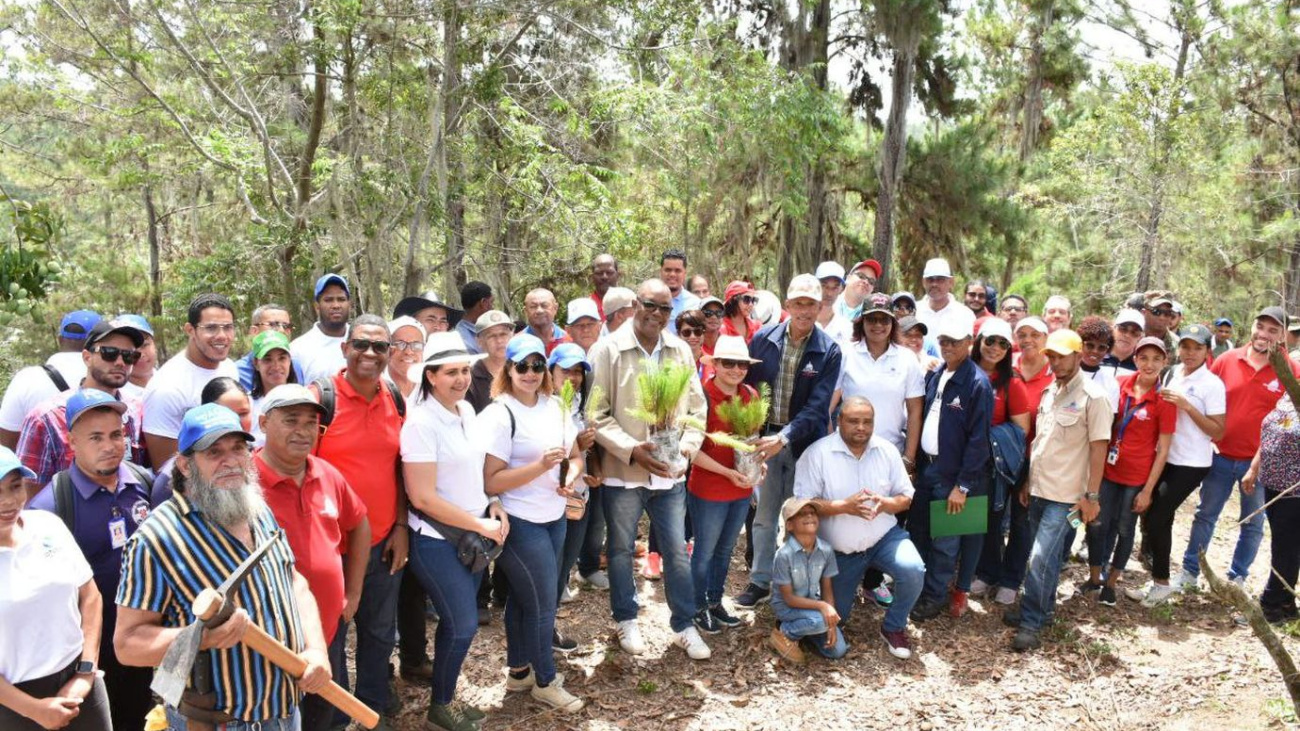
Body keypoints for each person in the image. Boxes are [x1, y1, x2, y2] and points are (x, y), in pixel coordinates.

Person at [114, 403, 333, 729]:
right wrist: (201, 638)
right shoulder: (156, 539)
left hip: (285, 712)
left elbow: (294, 582)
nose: (230, 461)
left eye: (238, 449)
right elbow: (128, 645)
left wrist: (315, 651)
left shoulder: (256, 508)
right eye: (214, 452)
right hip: (221, 722)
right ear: (186, 465)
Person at [587, 279, 710, 660]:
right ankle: (626, 619)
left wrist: (686, 450)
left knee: (676, 551)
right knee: (622, 550)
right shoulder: (607, 349)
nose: (656, 314)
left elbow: (697, 409)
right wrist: (630, 450)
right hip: (624, 473)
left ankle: (684, 625)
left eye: (664, 309)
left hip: (669, 475)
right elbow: (595, 413)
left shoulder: (680, 351)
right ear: (634, 305)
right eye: (649, 306)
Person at [26, 390, 154, 730]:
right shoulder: (50, 507)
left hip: (147, 646)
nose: (109, 445)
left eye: (116, 435)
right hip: (93, 661)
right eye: (95, 437)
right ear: (72, 441)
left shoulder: (143, 484)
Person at [401, 333, 506, 731]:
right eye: (450, 372)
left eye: (464, 370)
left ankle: (445, 699)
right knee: (462, 623)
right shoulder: (420, 424)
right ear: (430, 377)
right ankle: (440, 706)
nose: (461, 379)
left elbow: (474, 471)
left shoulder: (464, 410)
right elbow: (422, 496)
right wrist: (480, 523)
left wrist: (492, 503)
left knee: (456, 624)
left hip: (472, 536)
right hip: (437, 540)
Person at [478, 333, 586, 712]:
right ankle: (545, 680)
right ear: (508, 368)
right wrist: (539, 467)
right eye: (521, 365)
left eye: (537, 365)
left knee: (527, 600)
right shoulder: (498, 413)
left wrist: (570, 476)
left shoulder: (555, 405)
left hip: (554, 517)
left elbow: (575, 456)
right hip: (518, 520)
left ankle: (519, 671)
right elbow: (490, 480)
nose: (530, 372)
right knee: (543, 603)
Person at [254, 384, 371, 730]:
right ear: (263, 423)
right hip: (270, 638)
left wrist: (354, 591)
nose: (303, 432)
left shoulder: (326, 473)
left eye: (310, 423)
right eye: (291, 420)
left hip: (327, 629)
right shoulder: (243, 482)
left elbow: (360, 524)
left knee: (324, 715)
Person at [309, 314, 408, 721]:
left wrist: (401, 526)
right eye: (361, 344)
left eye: (379, 346)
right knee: (331, 638)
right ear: (345, 348)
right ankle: (334, 716)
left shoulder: (394, 397)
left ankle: (371, 710)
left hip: (383, 539)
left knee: (380, 633)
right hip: (331, 547)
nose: (370, 353)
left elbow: (399, 468)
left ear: (389, 353)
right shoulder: (320, 399)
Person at [734, 274, 842, 609]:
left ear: (820, 306)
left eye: (811, 304)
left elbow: (818, 407)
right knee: (765, 516)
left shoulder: (828, 350)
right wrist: (751, 432)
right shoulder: (764, 340)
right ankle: (760, 581)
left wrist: (785, 436)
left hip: (803, 444)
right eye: (798, 303)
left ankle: (797, 587)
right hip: (765, 441)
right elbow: (748, 389)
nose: (805, 311)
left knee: (801, 517)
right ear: (787, 305)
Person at [792, 397, 924, 659]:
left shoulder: (886, 451)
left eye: (867, 422)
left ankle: (894, 626)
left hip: (883, 538)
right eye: (853, 421)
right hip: (839, 552)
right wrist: (843, 507)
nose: (861, 427)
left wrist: (885, 503)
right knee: (831, 641)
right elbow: (802, 507)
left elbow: (907, 497)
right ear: (839, 420)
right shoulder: (818, 453)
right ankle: (799, 624)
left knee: (913, 570)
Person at [1006, 330, 1111, 651]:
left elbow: (1099, 449)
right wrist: (1027, 482)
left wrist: (1092, 497)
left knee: (1040, 559)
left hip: (1068, 497)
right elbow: (1042, 442)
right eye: (1051, 356)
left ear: (1079, 356)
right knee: (1045, 560)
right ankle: (1043, 609)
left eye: (1063, 356)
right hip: (1039, 488)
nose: (1056, 362)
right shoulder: (1050, 391)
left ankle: (1032, 621)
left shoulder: (1095, 397)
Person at [1181, 306, 1300, 588]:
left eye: (1273, 330)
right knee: (1205, 515)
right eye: (1261, 327)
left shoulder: (1290, 370)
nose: (1264, 334)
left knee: (1253, 523)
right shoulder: (1228, 359)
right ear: (1252, 327)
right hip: (1220, 455)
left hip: (1261, 463)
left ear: (1283, 335)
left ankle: (1238, 577)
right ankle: (1189, 572)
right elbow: (1206, 397)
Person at [0, 446, 112, 731]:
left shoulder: (48, 525)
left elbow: (90, 597)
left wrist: (86, 673)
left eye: (15, 487)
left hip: (80, 687)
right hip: (13, 705)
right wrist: (34, 709)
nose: (8, 502)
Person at [1128, 324, 1224, 606]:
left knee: (1157, 515)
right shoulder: (1172, 373)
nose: (1190, 353)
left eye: (1197, 348)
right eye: (1186, 346)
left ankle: (1161, 582)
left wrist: (1188, 406)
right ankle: (1159, 579)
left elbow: (1218, 431)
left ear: (1208, 351)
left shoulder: (1212, 384)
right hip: (1165, 457)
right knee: (1156, 518)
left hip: (1191, 463)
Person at [910, 319, 994, 620]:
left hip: (952, 476)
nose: (948, 347)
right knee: (918, 531)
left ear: (969, 342)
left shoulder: (977, 383)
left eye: (955, 342)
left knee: (946, 542)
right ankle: (916, 590)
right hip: (927, 469)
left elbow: (979, 440)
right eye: (944, 340)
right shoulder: (937, 374)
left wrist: (963, 486)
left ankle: (934, 597)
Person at [1082, 337, 1175, 607]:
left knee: (1125, 528)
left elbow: (1164, 449)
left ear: (1164, 362)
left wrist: (1147, 491)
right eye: (1144, 357)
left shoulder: (1164, 399)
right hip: (1108, 471)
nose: (1149, 364)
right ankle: (1094, 577)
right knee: (1098, 523)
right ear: (1135, 359)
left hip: (1136, 478)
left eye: (1156, 359)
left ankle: (1111, 583)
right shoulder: (1119, 385)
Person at [687, 336, 763, 634]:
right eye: (728, 363)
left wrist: (760, 462)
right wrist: (727, 473)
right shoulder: (701, 396)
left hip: (741, 488)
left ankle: (715, 601)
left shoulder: (751, 395)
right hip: (709, 488)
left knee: (725, 549)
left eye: (741, 364)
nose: (735, 369)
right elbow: (692, 450)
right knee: (704, 550)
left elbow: (752, 440)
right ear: (715, 364)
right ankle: (697, 606)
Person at [17, 318, 148, 488]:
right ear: (87, 357)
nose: (120, 362)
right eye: (109, 352)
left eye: (129, 356)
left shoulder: (137, 411)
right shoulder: (46, 418)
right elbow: (28, 493)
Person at [969, 319, 1032, 604]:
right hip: (963, 460)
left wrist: (985, 437)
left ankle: (995, 573)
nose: (995, 348)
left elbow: (1021, 430)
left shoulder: (1012, 383)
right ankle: (982, 570)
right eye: (990, 341)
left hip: (995, 466)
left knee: (993, 520)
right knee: (971, 520)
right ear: (978, 340)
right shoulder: (962, 372)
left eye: (1003, 344)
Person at [142, 293, 240, 465]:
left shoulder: (229, 368)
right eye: (211, 328)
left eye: (228, 327)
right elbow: (165, 467)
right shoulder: (166, 388)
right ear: (190, 330)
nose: (222, 336)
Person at [830, 301, 923, 478]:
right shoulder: (846, 354)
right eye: (872, 319)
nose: (878, 325)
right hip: (847, 452)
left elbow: (915, 412)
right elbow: (829, 406)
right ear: (862, 322)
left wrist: (909, 459)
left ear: (893, 323)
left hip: (891, 453)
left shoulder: (907, 359)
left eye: (884, 320)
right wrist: (830, 447)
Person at [0, 309, 101, 450]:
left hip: (37, 470)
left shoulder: (26, 379)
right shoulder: (108, 378)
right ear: (100, 343)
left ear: (60, 339)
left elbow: (5, 445)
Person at [548, 344, 599, 607]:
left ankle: (556, 597)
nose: (573, 377)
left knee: (568, 555)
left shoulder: (580, 403)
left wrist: (592, 471)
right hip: (551, 495)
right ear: (551, 371)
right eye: (565, 370)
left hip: (579, 492)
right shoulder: (543, 405)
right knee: (552, 559)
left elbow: (585, 452)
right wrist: (575, 444)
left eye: (578, 371)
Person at [766, 499, 848, 664]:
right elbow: (788, 598)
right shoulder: (784, 555)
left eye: (812, 513)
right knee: (820, 621)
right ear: (790, 525)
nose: (809, 516)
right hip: (787, 608)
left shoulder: (825, 550)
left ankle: (806, 633)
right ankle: (784, 632)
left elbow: (827, 588)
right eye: (802, 514)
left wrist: (831, 622)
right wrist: (823, 607)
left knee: (837, 651)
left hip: (812, 605)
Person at [1252, 383, 1300, 624]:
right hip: (1272, 484)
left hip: (1294, 491)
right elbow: (1271, 433)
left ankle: (1269, 604)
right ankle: (1286, 603)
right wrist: (1254, 467)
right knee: (1288, 546)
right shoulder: (1286, 397)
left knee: (1285, 547)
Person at [292, 273, 353, 382]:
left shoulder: (363, 342)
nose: (336, 305)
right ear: (317, 307)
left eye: (341, 299)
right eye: (328, 300)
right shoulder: (298, 349)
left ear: (349, 304)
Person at [236, 303, 304, 391]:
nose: (281, 330)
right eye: (273, 325)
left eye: (286, 326)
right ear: (254, 331)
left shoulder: (295, 365)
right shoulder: (238, 372)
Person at [248, 330, 296, 444]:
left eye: (282, 358)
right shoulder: (247, 405)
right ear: (256, 363)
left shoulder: (305, 400)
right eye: (267, 359)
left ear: (289, 360)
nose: (276, 366)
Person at [915, 258, 976, 336]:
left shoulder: (965, 315)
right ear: (923, 282)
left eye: (940, 280)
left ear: (951, 282)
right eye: (930, 280)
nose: (934, 284)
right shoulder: (914, 312)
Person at [468, 310, 514, 414]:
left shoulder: (523, 368)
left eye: (503, 334)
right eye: (491, 336)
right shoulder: (470, 376)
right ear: (479, 341)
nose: (499, 341)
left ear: (512, 336)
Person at [660, 249, 701, 334]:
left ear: (685, 273)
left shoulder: (696, 304)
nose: (672, 274)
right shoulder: (649, 302)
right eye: (668, 270)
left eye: (677, 270)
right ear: (661, 271)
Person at [118, 314, 158, 400]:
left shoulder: (172, 380)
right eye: (129, 349)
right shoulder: (115, 396)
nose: (140, 354)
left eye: (145, 345)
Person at [387, 316, 427, 400]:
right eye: (400, 344)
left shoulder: (433, 388)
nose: (408, 352)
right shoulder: (374, 387)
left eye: (416, 345)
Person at [522, 289, 572, 355]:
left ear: (555, 308)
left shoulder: (568, 341)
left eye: (544, 305)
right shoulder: (518, 342)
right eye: (533, 306)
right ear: (526, 311)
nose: (539, 310)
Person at [393, 291, 464, 336]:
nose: (438, 327)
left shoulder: (455, 356)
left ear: (447, 326)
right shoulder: (403, 356)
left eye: (443, 321)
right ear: (414, 323)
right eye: (430, 320)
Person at [1102, 308, 1144, 377]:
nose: (1127, 335)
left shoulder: (1140, 369)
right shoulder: (1097, 356)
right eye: (1123, 329)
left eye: (1134, 332)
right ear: (1113, 329)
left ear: (1140, 337)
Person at [457, 282, 494, 354]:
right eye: (492, 302)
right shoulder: (465, 342)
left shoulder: (481, 330)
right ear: (484, 303)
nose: (493, 308)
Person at [815, 261, 846, 330]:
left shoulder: (845, 327)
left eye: (835, 287)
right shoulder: (799, 321)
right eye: (824, 286)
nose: (829, 293)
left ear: (842, 289)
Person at [676, 309, 707, 376]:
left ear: (704, 332)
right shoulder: (670, 362)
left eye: (698, 331)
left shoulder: (713, 363)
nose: (693, 336)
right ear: (678, 334)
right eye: (686, 332)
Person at [589, 253, 620, 320]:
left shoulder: (630, 306)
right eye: (599, 273)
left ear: (617, 276)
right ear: (592, 277)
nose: (604, 277)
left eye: (609, 272)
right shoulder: (585, 309)